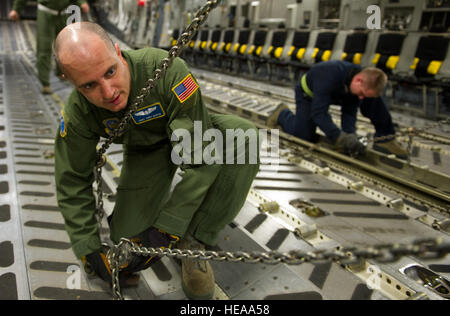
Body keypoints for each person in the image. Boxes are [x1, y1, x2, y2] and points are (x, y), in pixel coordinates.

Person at [53, 22, 260, 300]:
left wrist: (167, 229)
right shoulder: (78, 113)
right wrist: (87, 246)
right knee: (127, 238)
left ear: (118, 52)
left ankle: (195, 239)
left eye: (110, 72)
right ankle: (156, 213)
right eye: (89, 85)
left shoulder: (167, 72)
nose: (108, 91)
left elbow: (202, 161)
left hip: (193, 135)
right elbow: (72, 179)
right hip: (146, 150)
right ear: (70, 80)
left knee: (245, 139)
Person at [267, 60, 407, 159]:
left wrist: (349, 136)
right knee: (303, 136)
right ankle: (282, 113)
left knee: (372, 100)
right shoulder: (328, 76)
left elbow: (349, 112)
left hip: (336, 94)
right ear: (358, 80)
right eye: (361, 94)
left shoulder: (357, 86)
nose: (360, 98)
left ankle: (386, 137)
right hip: (308, 95)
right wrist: (338, 137)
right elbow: (319, 113)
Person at [9, 0, 90, 94]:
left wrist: (82, 2)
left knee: (64, 45)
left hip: (63, 14)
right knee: (44, 48)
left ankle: (61, 72)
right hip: (46, 14)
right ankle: (45, 83)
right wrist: (16, 9)